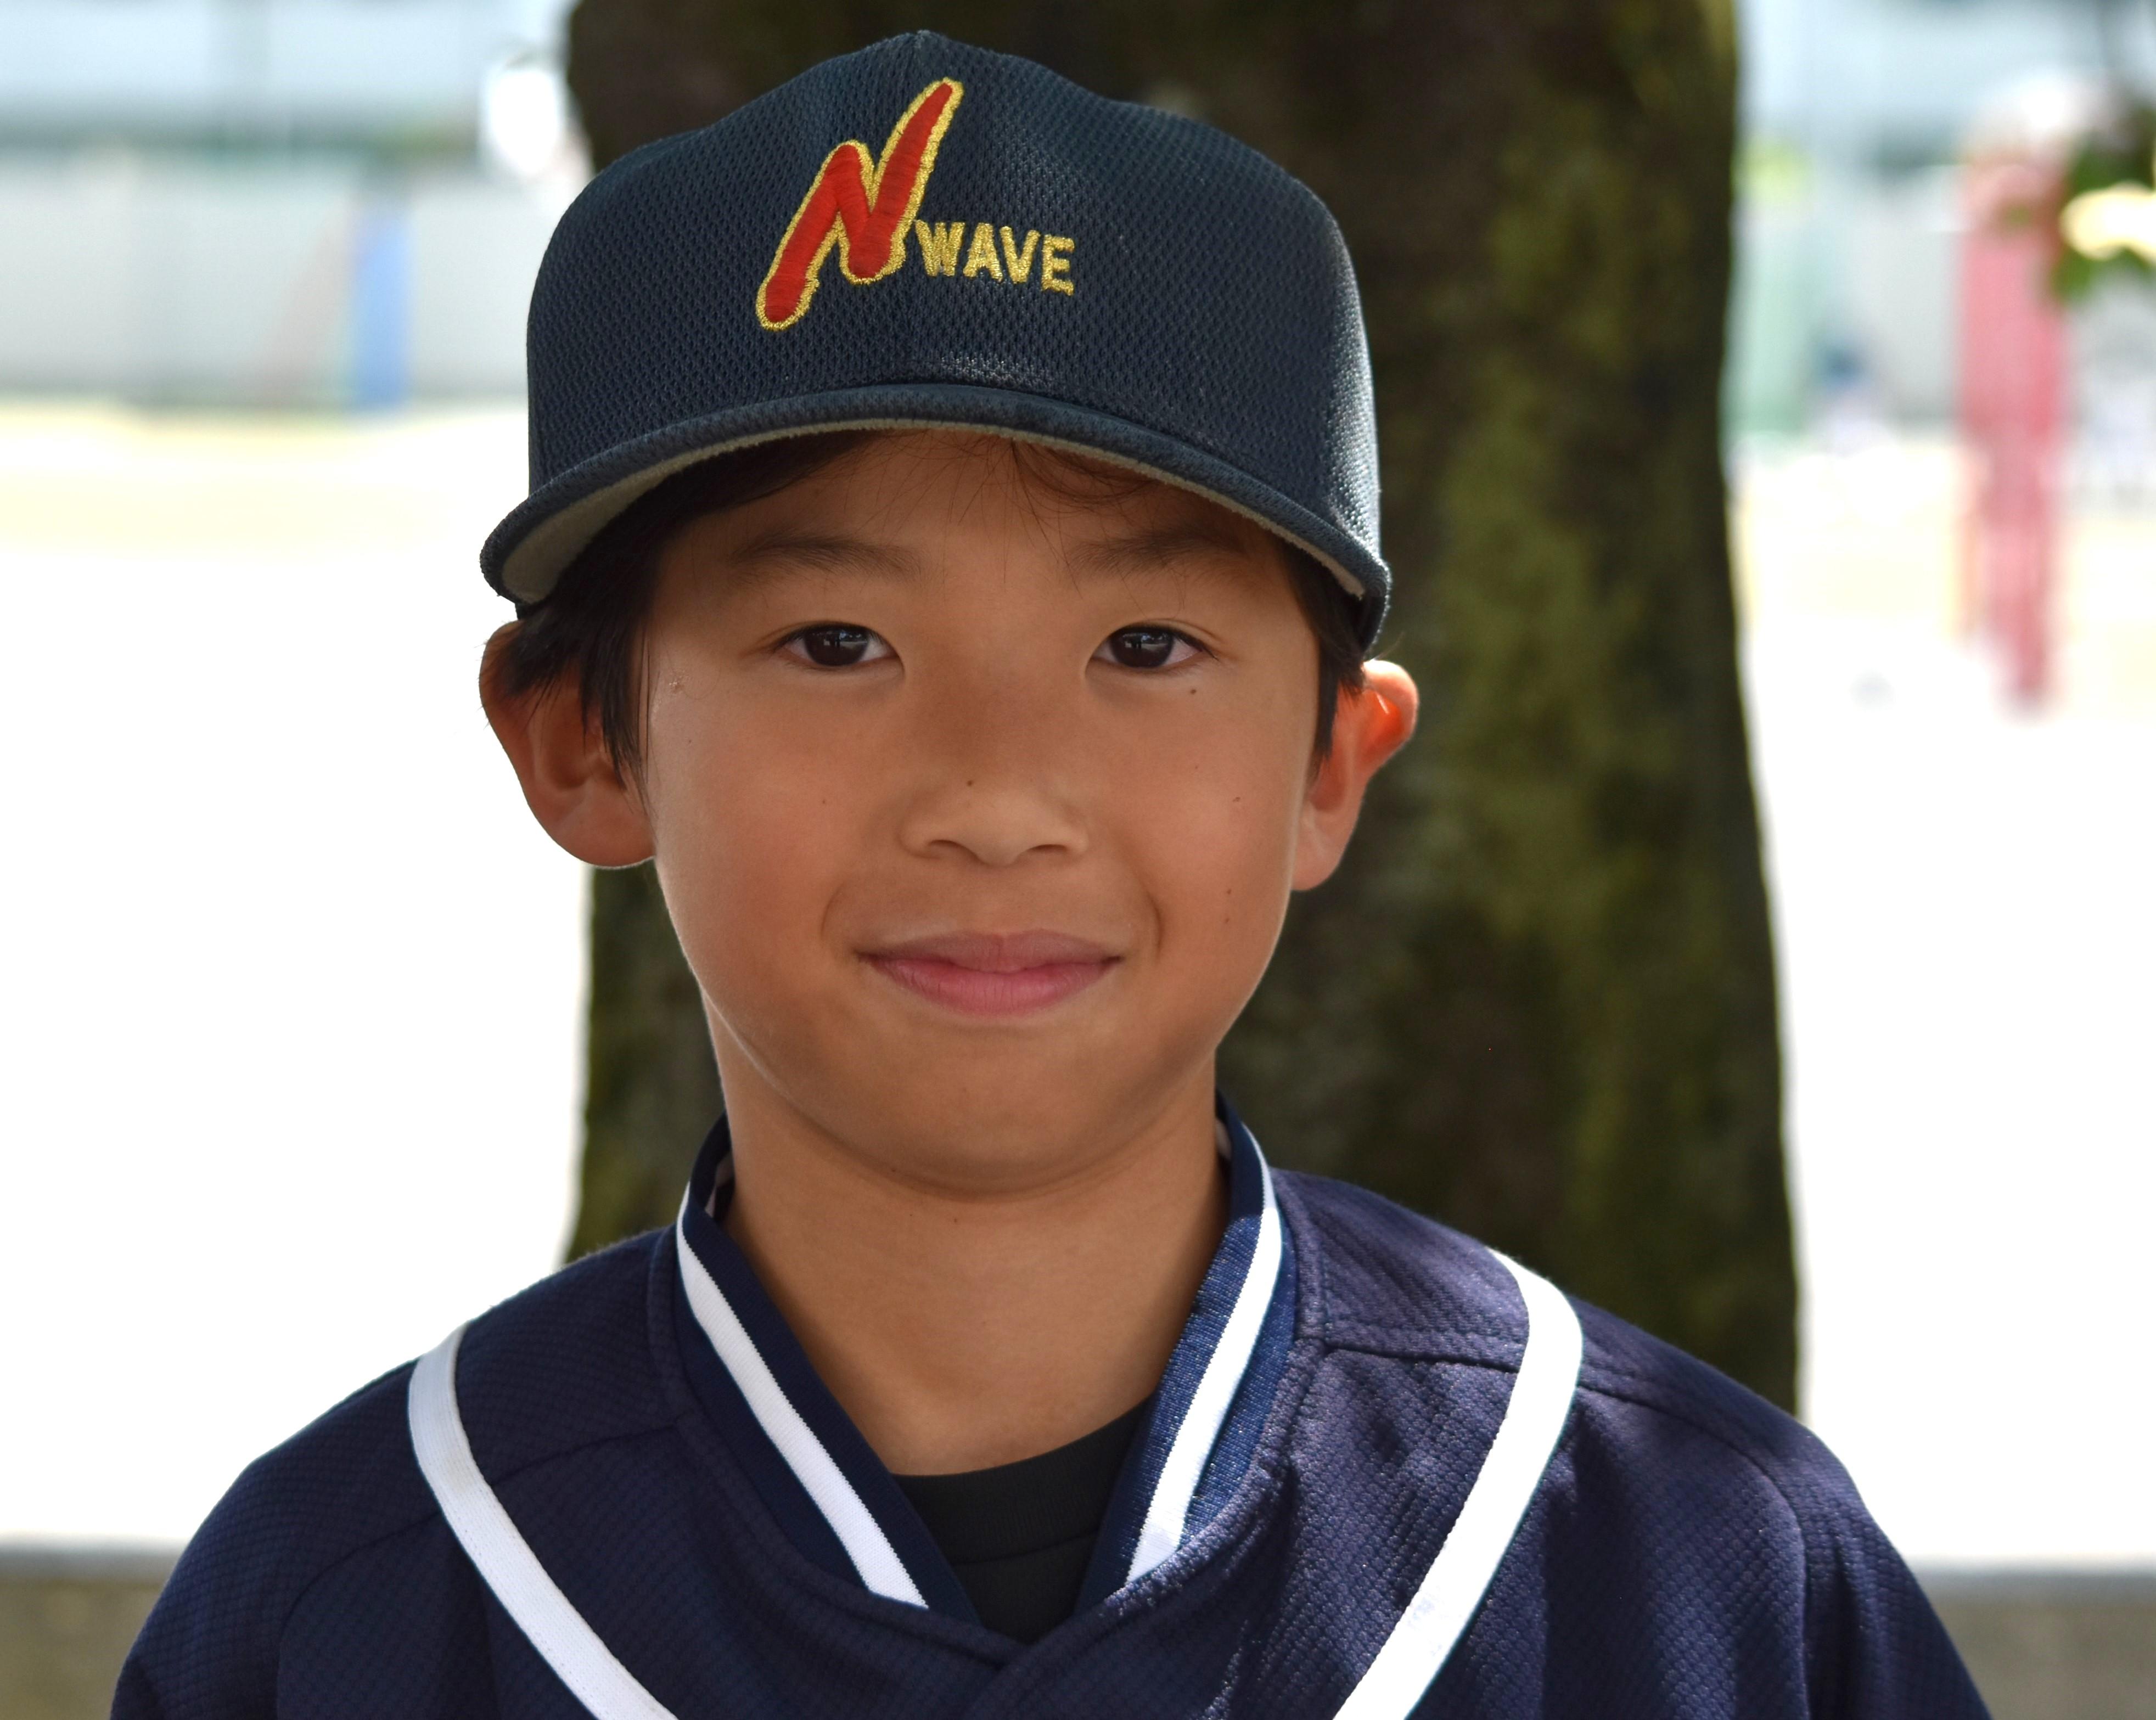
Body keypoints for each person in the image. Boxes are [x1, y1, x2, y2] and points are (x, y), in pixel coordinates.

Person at [115, 32, 1988, 1719]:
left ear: (1331, 767)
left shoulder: (1696, 1578)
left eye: (1147, 647)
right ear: (581, 741)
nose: (1000, 798)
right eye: (838, 642)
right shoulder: (357, 1608)